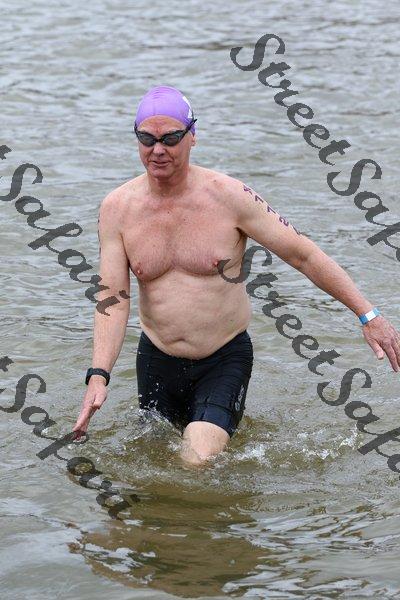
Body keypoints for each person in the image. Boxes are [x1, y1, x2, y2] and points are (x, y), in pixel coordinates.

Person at [73, 85, 400, 466]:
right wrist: (98, 376)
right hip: (156, 359)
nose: (158, 150)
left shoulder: (230, 197)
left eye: (170, 138)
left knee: (195, 461)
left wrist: (367, 315)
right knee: (153, 465)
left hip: (222, 358)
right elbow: (113, 297)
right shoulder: (118, 208)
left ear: (192, 136)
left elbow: (303, 255)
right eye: (147, 139)